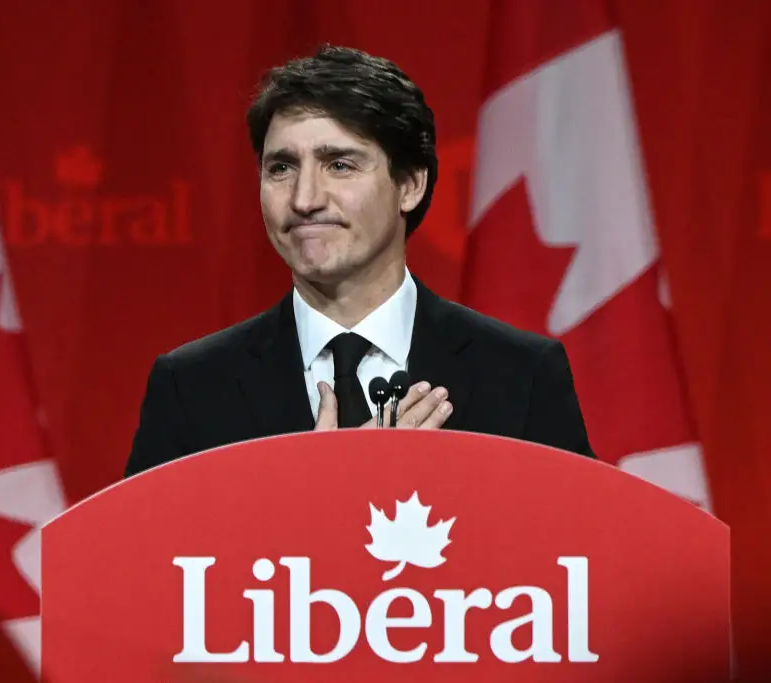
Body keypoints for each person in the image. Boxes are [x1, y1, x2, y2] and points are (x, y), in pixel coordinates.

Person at [124, 45, 593, 478]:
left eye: (340, 165)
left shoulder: (520, 375)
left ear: (409, 185)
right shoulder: (193, 387)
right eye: (281, 168)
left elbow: (579, 555)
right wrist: (316, 496)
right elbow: (142, 563)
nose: (304, 199)